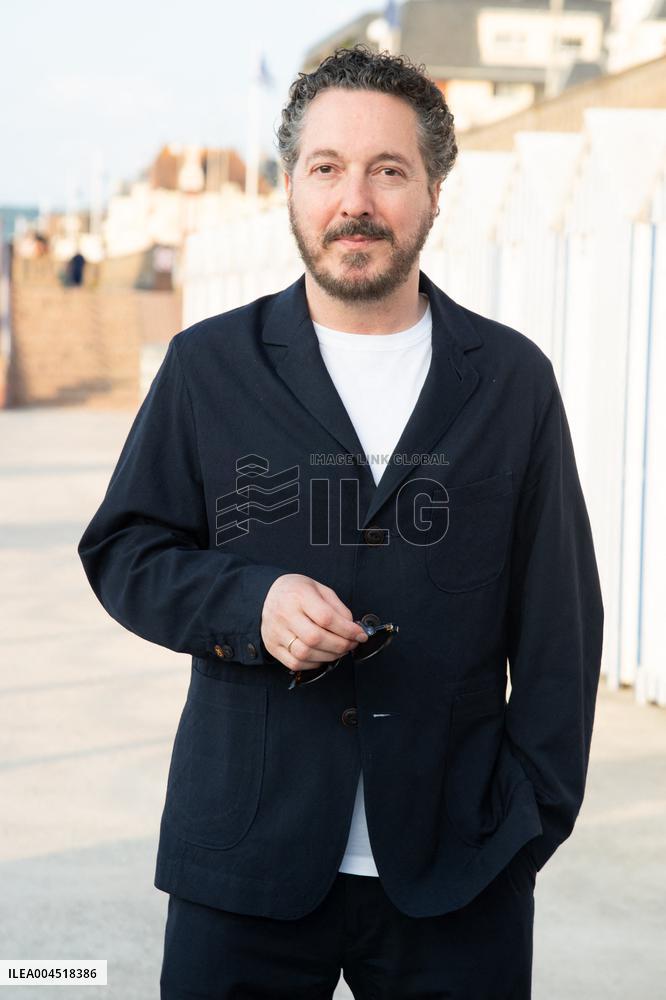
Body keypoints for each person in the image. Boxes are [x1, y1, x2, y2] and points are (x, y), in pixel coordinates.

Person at [78, 45, 604, 1000]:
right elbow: (124, 549)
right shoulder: (208, 367)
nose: (354, 198)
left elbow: (561, 626)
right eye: (327, 167)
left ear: (435, 192)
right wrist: (250, 602)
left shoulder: (513, 382)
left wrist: (529, 823)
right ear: (291, 185)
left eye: (388, 170)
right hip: (242, 865)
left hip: (459, 874)